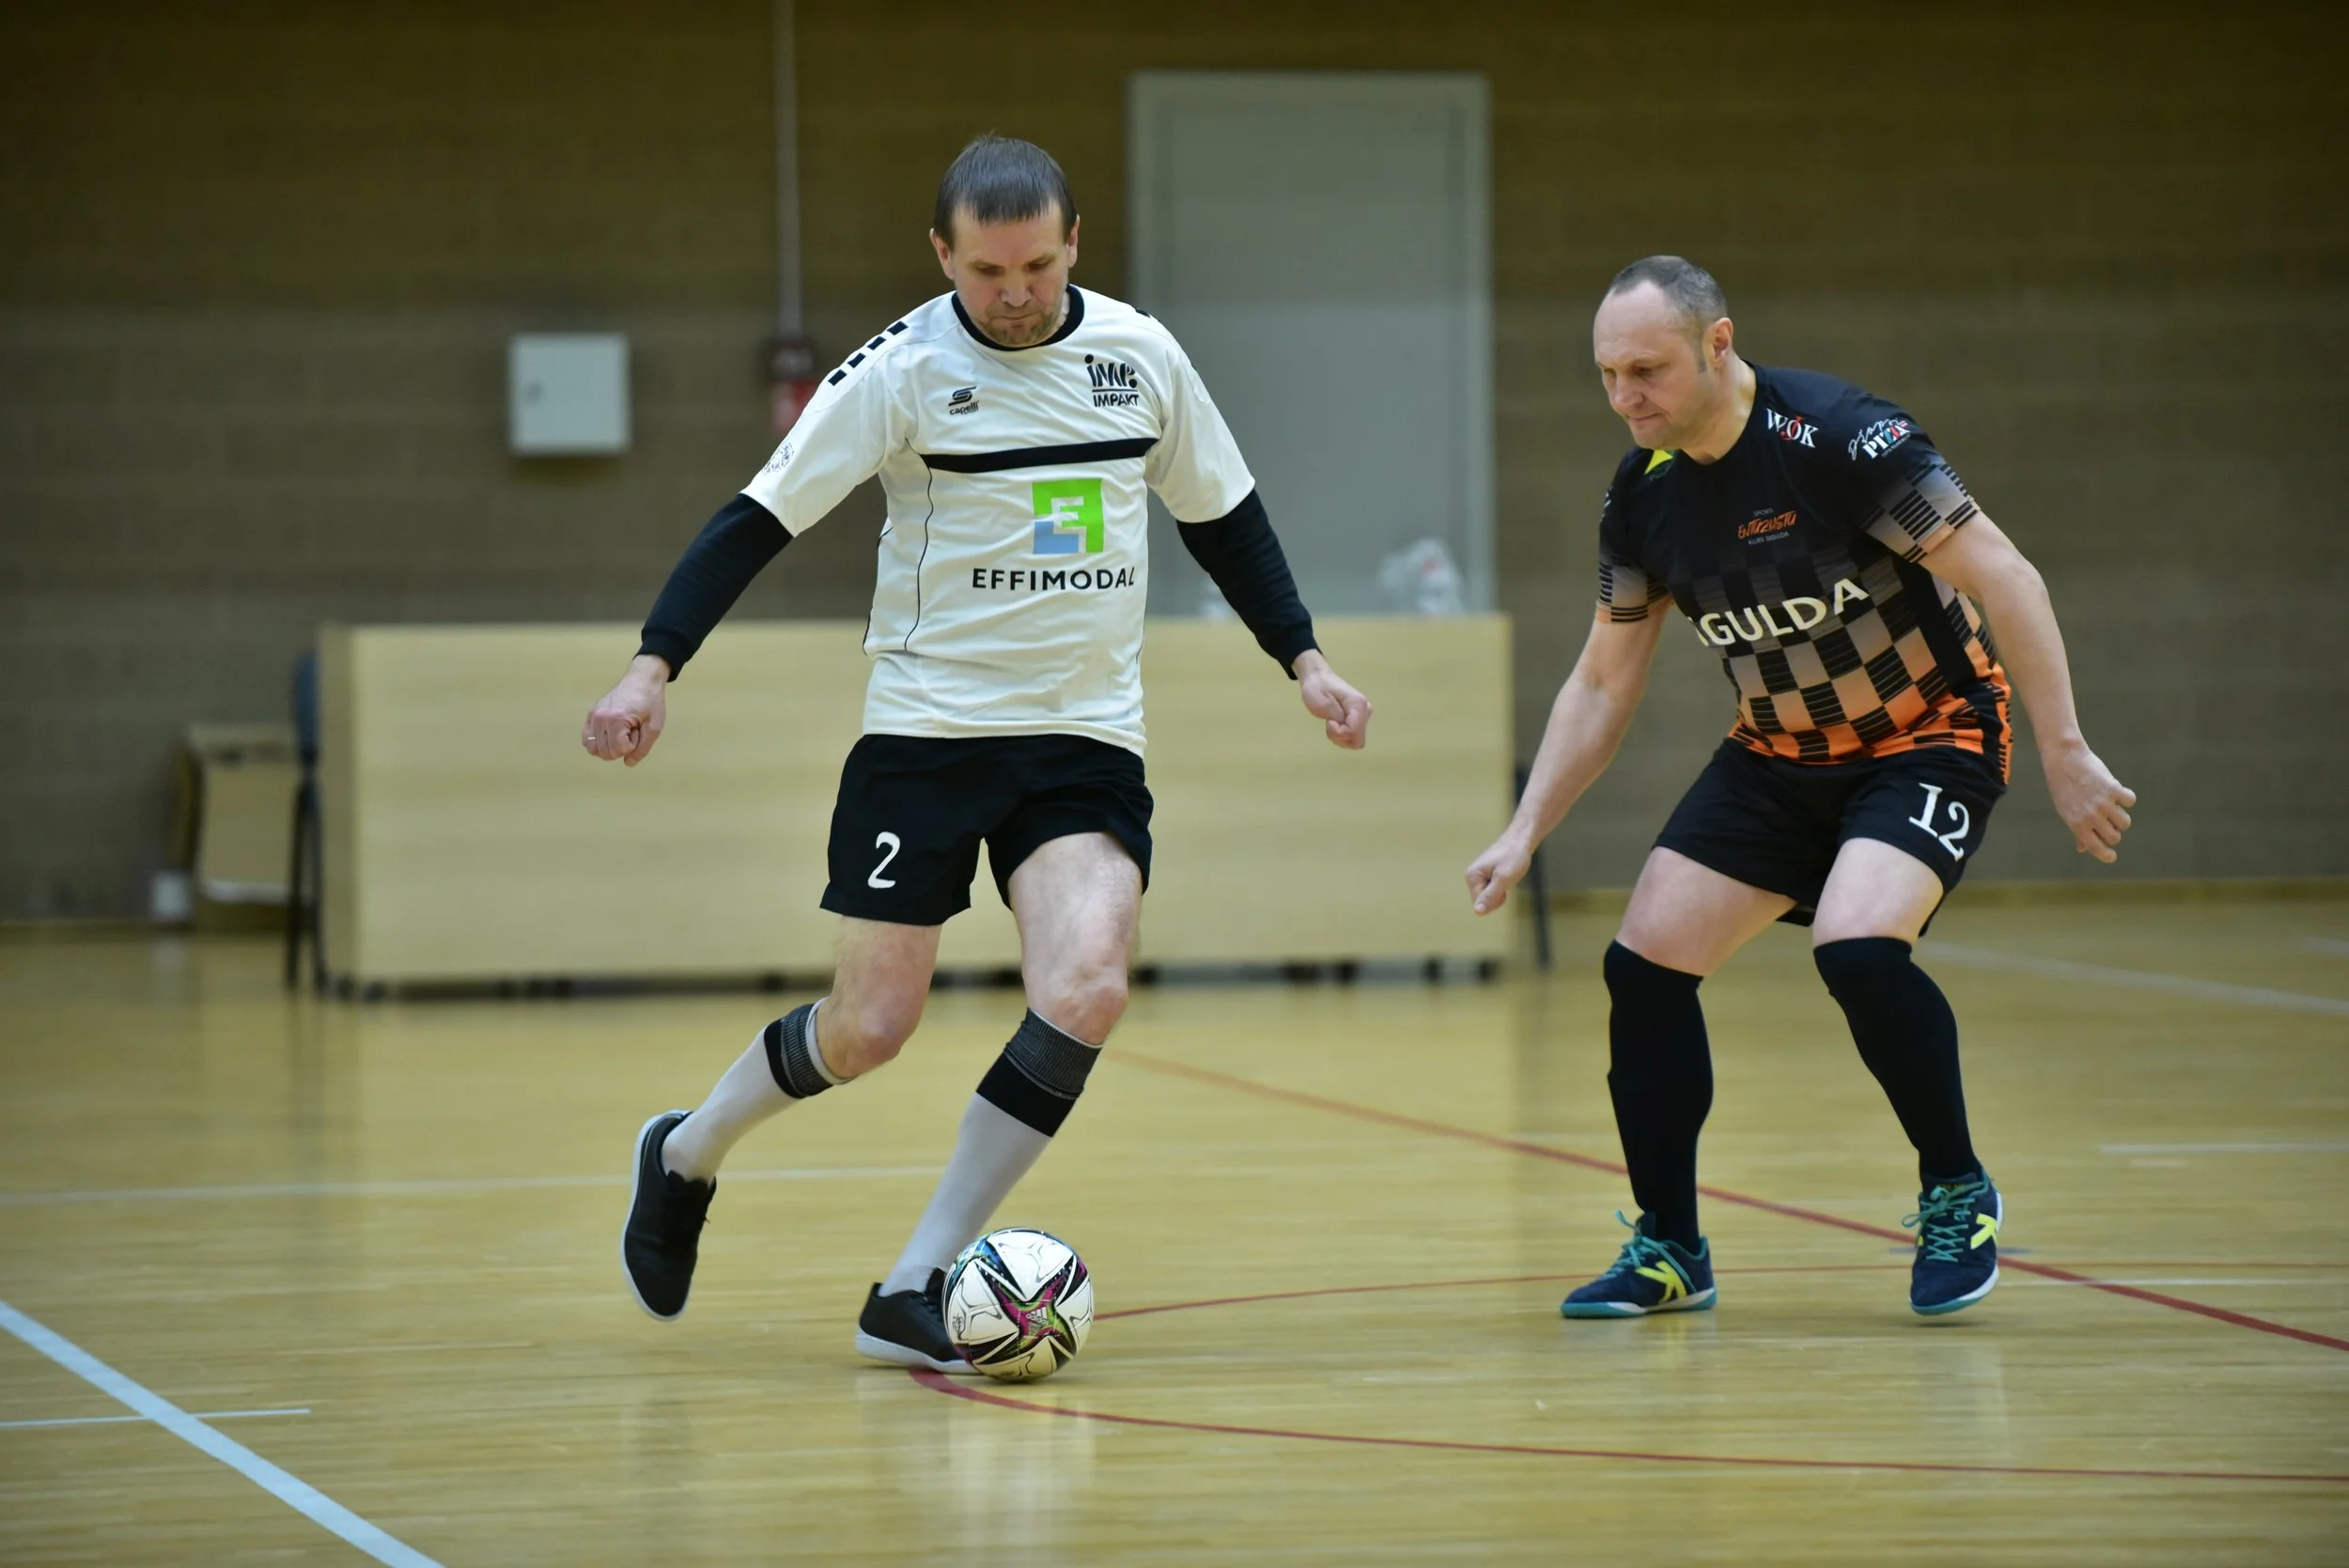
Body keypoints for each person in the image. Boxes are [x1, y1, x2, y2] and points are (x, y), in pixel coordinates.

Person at [584, 135, 1371, 1369]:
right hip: (928, 736)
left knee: (1088, 986)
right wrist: (652, 664)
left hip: (1082, 739)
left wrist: (1304, 659)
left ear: (1075, 244)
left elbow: (1223, 514)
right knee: (870, 1027)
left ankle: (913, 1281)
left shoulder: (1140, 357)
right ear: (943, 255)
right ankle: (686, 1151)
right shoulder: (900, 371)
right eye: (990, 270)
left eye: (1040, 266)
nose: (1017, 292)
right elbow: (757, 519)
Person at [1465, 256, 2134, 1319]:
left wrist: (2065, 748)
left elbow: (2006, 575)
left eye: (1647, 370)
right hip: (1778, 755)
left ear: (1717, 344)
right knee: (1642, 966)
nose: (1625, 397)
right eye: (1607, 374)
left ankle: (1957, 1190)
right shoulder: (1642, 497)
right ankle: (1671, 1246)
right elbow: (1601, 680)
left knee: (1858, 947)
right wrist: (1524, 828)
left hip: (1929, 734)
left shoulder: (1840, 440)